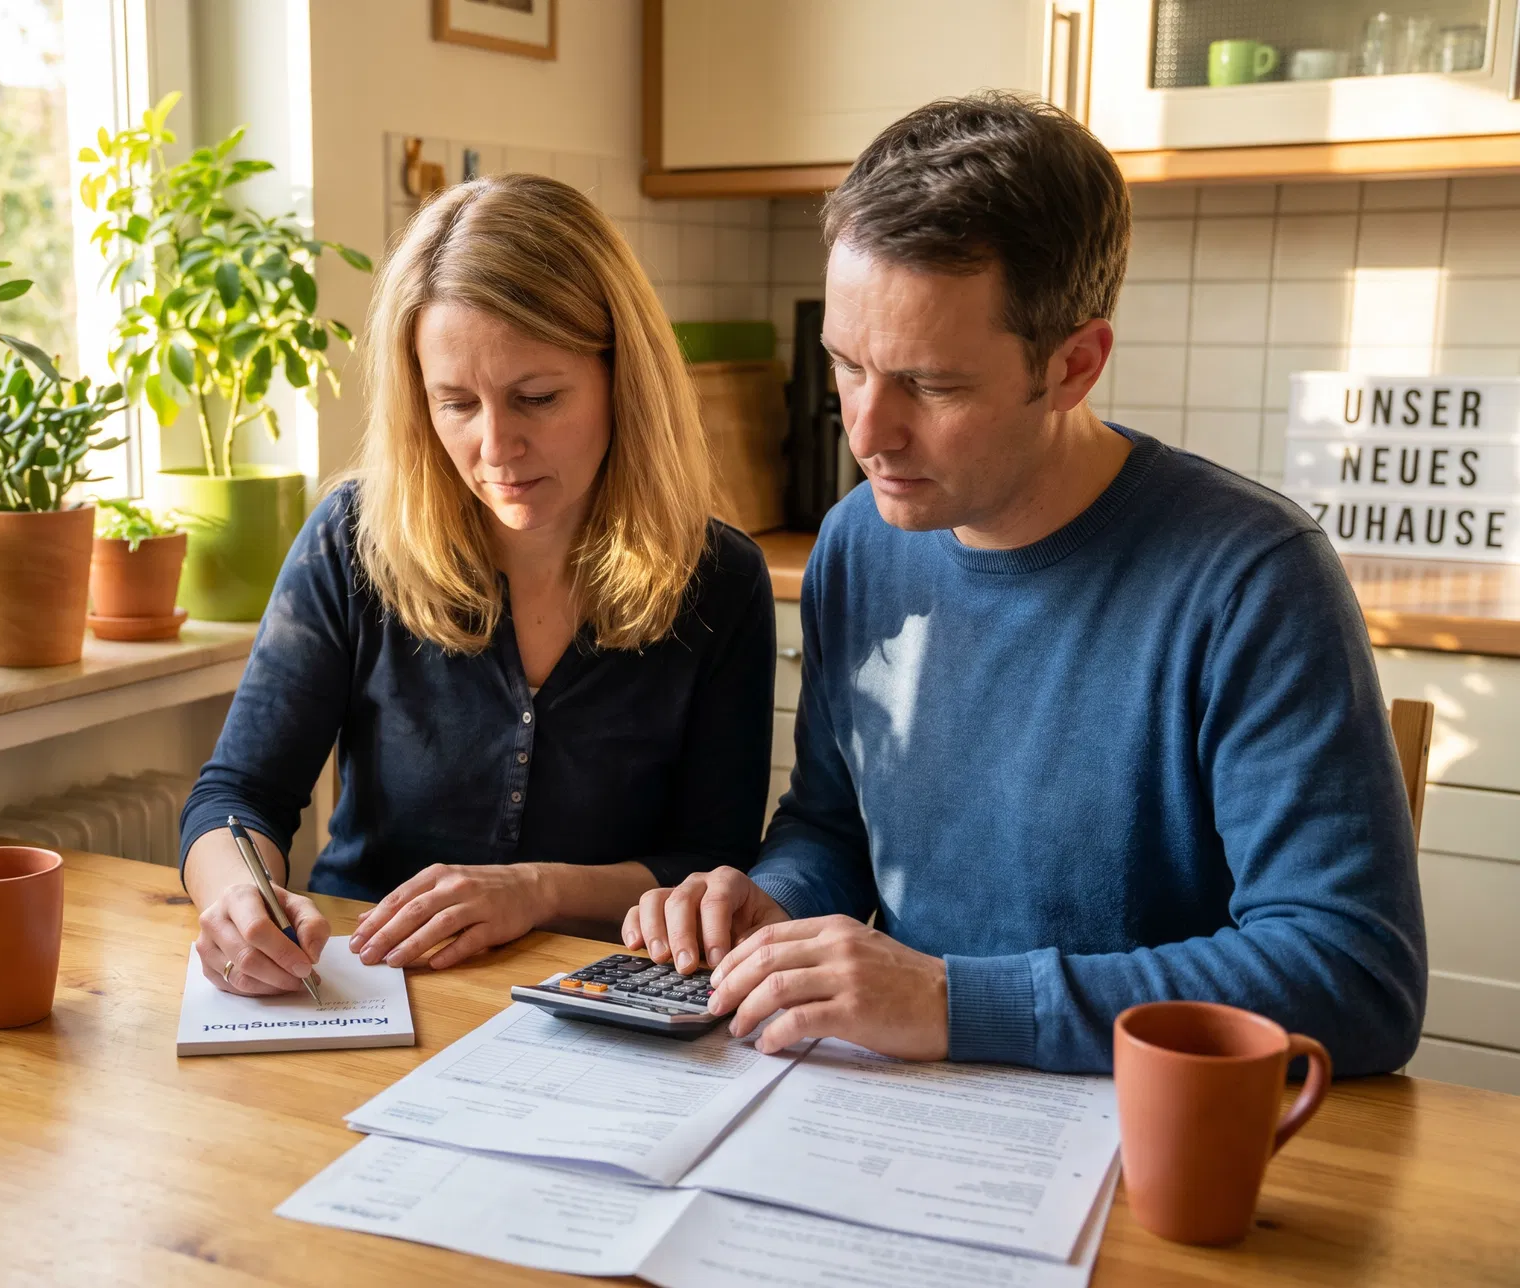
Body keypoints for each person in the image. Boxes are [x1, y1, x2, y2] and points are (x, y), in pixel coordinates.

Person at [624, 93, 1427, 1076]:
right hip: (908, 1103)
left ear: (1075, 365)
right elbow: (834, 824)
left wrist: (956, 1002)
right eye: (846, 366)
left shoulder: (1252, 580)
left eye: (932, 384)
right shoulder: (857, 543)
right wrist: (778, 900)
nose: (867, 433)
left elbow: (1354, 975)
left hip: (1146, 1127)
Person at [181, 174, 775, 996]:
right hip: (369, 985)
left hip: (595, 996)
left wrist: (536, 891)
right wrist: (237, 895)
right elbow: (239, 794)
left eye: (537, 398)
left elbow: (711, 865)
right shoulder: (353, 540)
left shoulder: (720, 580)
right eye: (456, 403)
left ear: (621, 378)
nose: (496, 447)